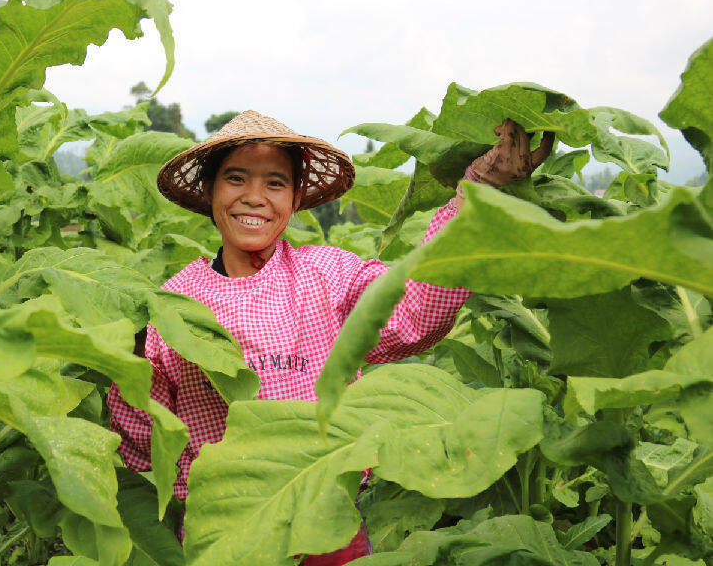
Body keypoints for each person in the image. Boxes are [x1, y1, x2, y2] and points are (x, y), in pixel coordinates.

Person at [106, 111, 552, 564]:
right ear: (209, 190)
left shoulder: (326, 276)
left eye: (276, 183)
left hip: (330, 523)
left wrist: (478, 194)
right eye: (236, 178)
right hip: (228, 532)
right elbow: (144, 442)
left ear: (297, 197)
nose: (255, 198)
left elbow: (415, 309)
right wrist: (127, 362)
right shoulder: (172, 304)